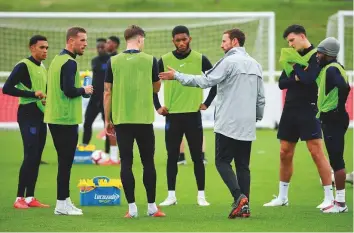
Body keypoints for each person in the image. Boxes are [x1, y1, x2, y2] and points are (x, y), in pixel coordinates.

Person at [159, 28, 265, 218]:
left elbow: (206, 81)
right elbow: (260, 97)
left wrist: (177, 76)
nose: (221, 45)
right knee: (243, 165)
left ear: (234, 42)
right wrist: (257, 116)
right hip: (247, 123)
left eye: (224, 41)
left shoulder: (227, 62)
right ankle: (245, 206)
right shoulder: (255, 64)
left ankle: (238, 197)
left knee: (222, 161)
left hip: (227, 122)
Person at [263, 25, 334, 210]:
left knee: (316, 151)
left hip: (309, 108)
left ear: (302, 36)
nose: (290, 44)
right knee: (284, 152)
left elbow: (310, 79)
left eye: (292, 40)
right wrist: (297, 75)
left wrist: (296, 68)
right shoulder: (291, 56)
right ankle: (282, 197)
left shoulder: (317, 56)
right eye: (288, 42)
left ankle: (329, 198)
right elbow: (282, 83)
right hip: (290, 109)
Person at [104, 25, 165, 218]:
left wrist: (108, 119)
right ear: (139, 39)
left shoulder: (113, 61)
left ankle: (131, 209)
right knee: (148, 163)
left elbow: (107, 91)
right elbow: (156, 88)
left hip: (122, 119)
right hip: (144, 119)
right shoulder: (150, 60)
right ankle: (152, 207)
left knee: (126, 164)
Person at [155, 25, 213, 207]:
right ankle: (171, 196)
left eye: (184, 39)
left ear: (190, 39)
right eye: (178, 40)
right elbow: (153, 85)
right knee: (172, 156)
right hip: (172, 116)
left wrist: (207, 103)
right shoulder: (163, 60)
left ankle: (201, 196)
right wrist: (158, 106)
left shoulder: (201, 59)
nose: (181, 43)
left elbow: (216, 81)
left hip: (193, 115)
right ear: (173, 41)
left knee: (197, 157)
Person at [44, 27, 93, 215]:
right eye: (82, 40)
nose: (85, 44)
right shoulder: (70, 63)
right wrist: (84, 90)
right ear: (71, 41)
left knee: (64, 163)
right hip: (65, 119)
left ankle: (64, 200)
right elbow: (68, 90)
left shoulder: (57, 60)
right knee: (65, 163)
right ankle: (61, 204)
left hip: (55, 118)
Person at [3, 35, 50, 209]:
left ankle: (30, 197)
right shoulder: (23, 66)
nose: (45, 50)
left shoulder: (43, 67)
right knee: (30, 154)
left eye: (47, 48)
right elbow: (7, 88)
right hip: (27, 114)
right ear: (31, 48)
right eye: (41, 47)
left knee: (37, 156)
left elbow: (42, 91)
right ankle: (18, 198)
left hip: (40, 115)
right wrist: (32, 94)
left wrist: (45, 99)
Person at [315, 37, 350, 213]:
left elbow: (344, 87)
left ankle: (341, 203)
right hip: (335, 117)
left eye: (320, 52)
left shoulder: (331, 70)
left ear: (328, 54)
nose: (317, 55)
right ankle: (339, 202)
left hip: (333, 118)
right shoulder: (335, 68)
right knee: (336, 158)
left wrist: (336, 107)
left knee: (337, 160)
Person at [81, 38, 120, 164]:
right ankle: (84, 148)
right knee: (87, 123)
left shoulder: (112, 60)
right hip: (94, 99)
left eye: (102, 47)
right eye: (98, 47)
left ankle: (108, 152)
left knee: (108, 126)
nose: (100, 49)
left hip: (106, 99)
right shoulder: (94, 61)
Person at [178, 86, 217, 165]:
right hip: (189, 104)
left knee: (183, 132)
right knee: (192, 132)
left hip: (187, 105)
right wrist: (207, 103)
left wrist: (207, 103)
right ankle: (185, 157)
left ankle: (183, 157)